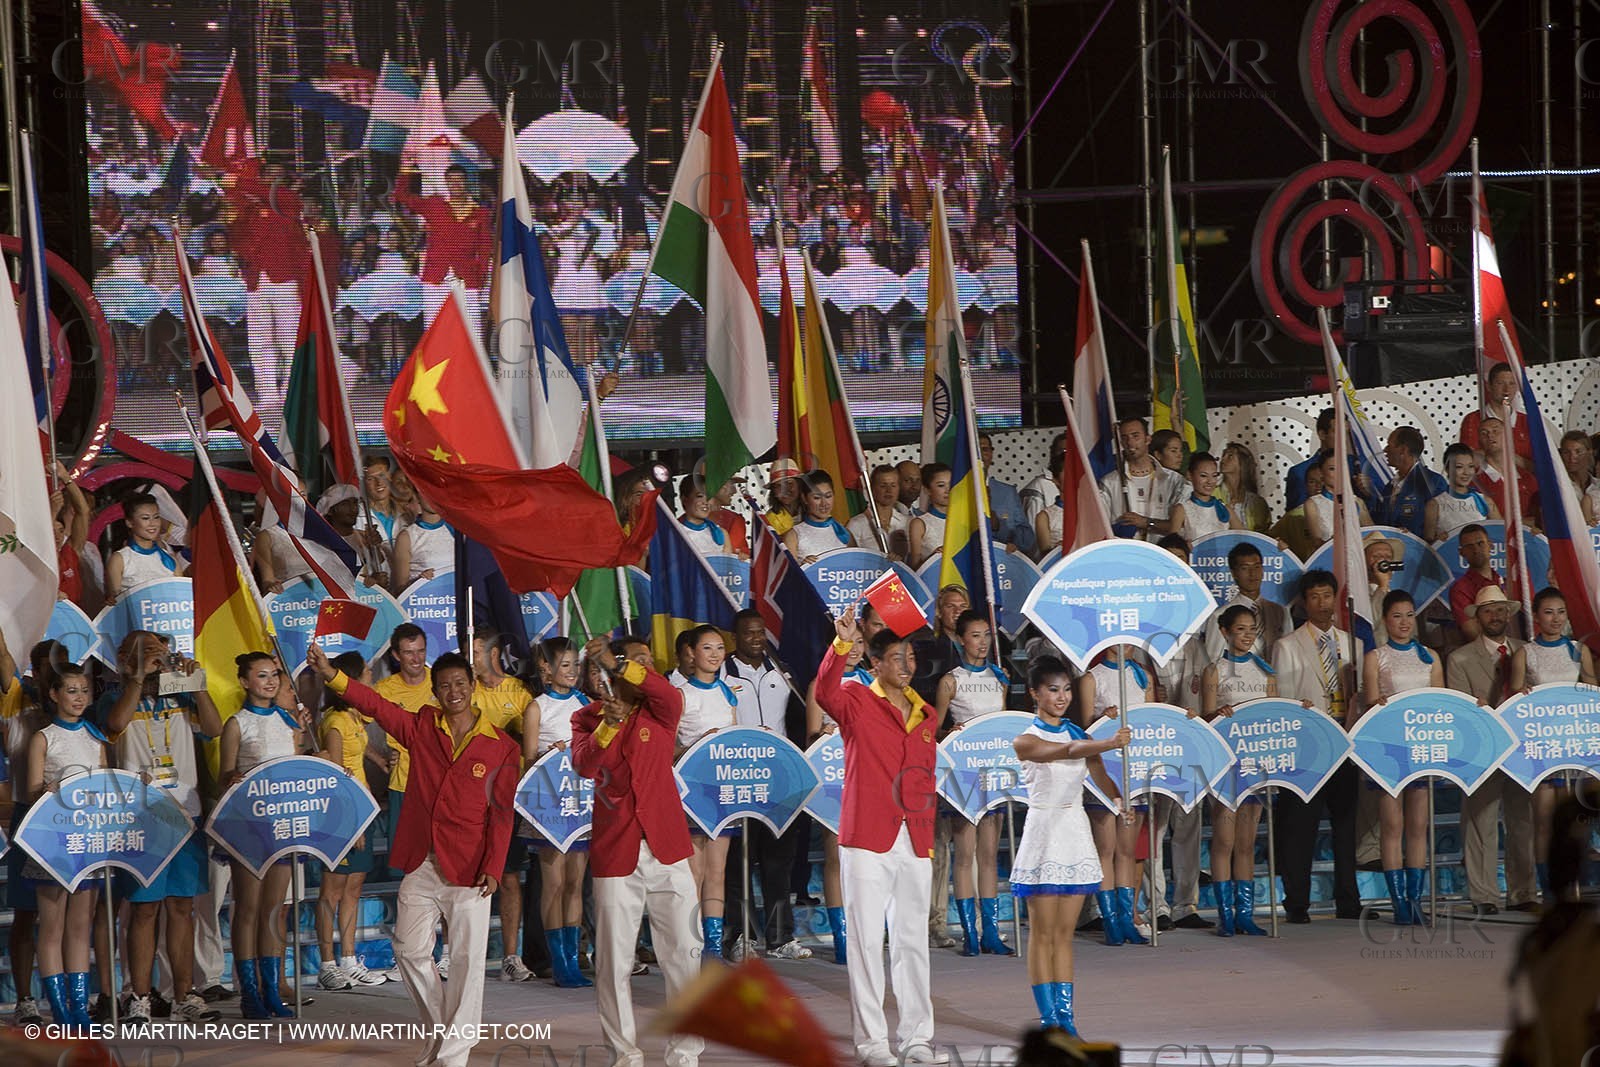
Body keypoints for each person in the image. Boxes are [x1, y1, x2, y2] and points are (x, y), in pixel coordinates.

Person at [306, 641, 520, 1067]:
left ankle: (453, 1055)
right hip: (423, 860)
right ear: (435, 692)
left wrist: (494, 868)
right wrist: (333, 675)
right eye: (444, 685)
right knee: (408, 948)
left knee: (465, 962)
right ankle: (443, 1034)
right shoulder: (423, 726)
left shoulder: (501, 747)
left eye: (460, 682)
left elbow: (502, 814)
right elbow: (377, 706)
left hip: (472, 868)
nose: (453, 691)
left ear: (472, 685)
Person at [816, 609, 948, 1067]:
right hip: (867, 838)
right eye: (895, 658)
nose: (906, 665)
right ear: (875, 664)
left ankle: (917, 1039)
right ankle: (872, 1043)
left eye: (909, 657)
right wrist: (840, 646)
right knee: (867, 942)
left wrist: (926, 828)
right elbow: (823, 692)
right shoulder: (855, 699)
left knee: (912, 941)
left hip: (915, 839)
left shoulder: (926, 713)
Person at [570, 636, 704, 1067]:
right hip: (616, 850)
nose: (647, 671)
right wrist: (608, 724)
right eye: (635, 663)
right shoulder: (585, 718)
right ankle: (624, 1054)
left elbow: (663, 690)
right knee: (613, 963)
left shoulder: (662, 710)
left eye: (646, 663)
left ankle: (685, 1052)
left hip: (667, 847)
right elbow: (585, 765)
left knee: (684, 954)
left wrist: (620, 661)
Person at [100, 631, 224, 1025]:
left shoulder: (181, 695)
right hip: (140, 818)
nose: (158, 662)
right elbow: (115, 724)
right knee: (144, 908)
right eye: (148, 655)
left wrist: (197, 684)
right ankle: (139, 996)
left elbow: (214, 727)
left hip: (184, 814)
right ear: (124, 660)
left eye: (162, 654)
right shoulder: (113, 698)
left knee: (183, 907)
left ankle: (184, 994)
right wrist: (136, 678)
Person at [1011, 657, 1130, 1035]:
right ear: (1034, 693)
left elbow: (1096, 769)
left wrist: (1118, 800)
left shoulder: (1077, 733)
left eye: (1066, 689)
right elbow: (1064, 752)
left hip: (1074, 832)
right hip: (1044, 831)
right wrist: (1109, 740)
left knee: (1064, 935)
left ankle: (1068, 1019)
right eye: (1052, 690)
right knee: (1042, 933)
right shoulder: (1025, 739)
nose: (1062, 697)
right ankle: (1048, 1021)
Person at [220, 652, 311, 1019]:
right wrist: (235, 781)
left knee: (274, 910)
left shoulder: (288, 721)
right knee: (248, 909)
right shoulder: (237, 724)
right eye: (262, 676)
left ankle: (272, 989)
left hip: (284, 826)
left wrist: (303, 736)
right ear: (244, 682)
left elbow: (299, 768)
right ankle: (249, 991)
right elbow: (223, 775)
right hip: (249, 827)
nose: (271, 682)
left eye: (274, 674)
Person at [1271, 570, 1361, 922]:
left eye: (1327, 596)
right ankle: (1296, 903)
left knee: (1346, 826)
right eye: (1314, 597)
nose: (1322, 603)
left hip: (1345, 742)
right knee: (1299, 828)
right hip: (1307, 748)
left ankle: (1348, 901)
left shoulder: (1352, 642)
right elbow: (1284, 700)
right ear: (1304, 602)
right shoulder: (1287, 645)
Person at [720, 610, 811, 960]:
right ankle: (739, 937)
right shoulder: (723, 676)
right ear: (736, 637)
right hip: (739, 780)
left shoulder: (782, 673)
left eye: (761, 633)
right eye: (749, 634)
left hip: (779, 781)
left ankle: (779, 938)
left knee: (778, 862)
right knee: (738, 864)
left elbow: (800, 718)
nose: (756, 639)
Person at [1446, 586, 1536, 913]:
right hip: (1481, 752)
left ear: (1508, 614)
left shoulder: (1527, 650)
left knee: (1521, 821)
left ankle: (1523, 893)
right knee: (1480, 823)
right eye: (1488, 611)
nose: (1495, 616)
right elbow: (1459, 713)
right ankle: (1483, 896)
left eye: (1500, 610)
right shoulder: (1460, 658)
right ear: (1477, 617)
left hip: (1521, 751)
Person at [1508, 587, 1598, 901]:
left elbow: (1592, 699)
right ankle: (1550, 893)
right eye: (1549, 612)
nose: (1556, 618)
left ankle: (1572, 889)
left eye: (1561, 611)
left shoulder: (1578, 650)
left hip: (1574, 749)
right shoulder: (1525, 653)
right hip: (1542, 752)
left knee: (1573, 823)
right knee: (1545, 822)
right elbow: (1516, 705)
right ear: (1536, 616)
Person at [27, 663, 105, 1026]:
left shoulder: (95, 737)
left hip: (88, 841)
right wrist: (46, 792)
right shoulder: (44, 737)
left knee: (80, 926)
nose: (79, 697)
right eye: (71, 691)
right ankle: (59, 1008)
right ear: (54, 694)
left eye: (84, 690)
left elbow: (107, 789)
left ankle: (79, 1006)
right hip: (53, 840)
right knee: (52, 925)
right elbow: (29, 791)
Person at [935, 610, 1013, 958]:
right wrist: (946, 733)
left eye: (987, 635)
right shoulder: (950, 681)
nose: (983, 643)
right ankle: (969, 931)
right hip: (964, 776)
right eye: (976, 636)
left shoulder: (999, 678)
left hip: (994, 773)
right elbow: (933, 729)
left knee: (988, 855)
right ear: (961, 639)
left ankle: (991, 931)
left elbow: (1005, 724)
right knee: (964, 855)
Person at [1360, 591, 1442, 924]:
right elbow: (1369, 704)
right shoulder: (1375, 657)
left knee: (1418, 827)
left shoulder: (1431, 657)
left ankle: (1416, 899)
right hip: (1389, 750)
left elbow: (1439, 705)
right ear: (1385, 619)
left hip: (1422, 749)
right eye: (1397, 616)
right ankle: (1399, 904)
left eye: (1410, 615)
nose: (1405, 622)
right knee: (1392, 826)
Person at [1199, 606, 1276, 936]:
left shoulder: (1266, 672)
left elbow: (1274, 715)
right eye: (1240, 629)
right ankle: (1224, 914)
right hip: (1226, 765)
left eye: (1251, 629)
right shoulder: (1215, 670)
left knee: (1246, 842)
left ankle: (1245, 913)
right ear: (1225, 632)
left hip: (1256, 765)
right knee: (1225, 840)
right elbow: (1205, 719)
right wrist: (1219, 712)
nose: (1247, 635)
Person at [522, 637, 593, 988]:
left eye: (575, 665)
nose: (573, 672)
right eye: (565, 666)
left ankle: (574, 956)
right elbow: (528, 762)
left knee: (574, 883)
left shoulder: (586, 705)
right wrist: (551, 755)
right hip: (549, 803)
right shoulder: (537, 707)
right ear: (546, 669)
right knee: (553, 882)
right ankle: (558, 960)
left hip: (581, 801)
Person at [315, 652, 387, 991]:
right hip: (342, 816)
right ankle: (327, 964)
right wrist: (353, 824)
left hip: (365, 810)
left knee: (354, 890)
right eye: (367, 672)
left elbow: (356, 754)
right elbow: (335, 776)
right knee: (332, 891)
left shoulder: (354, 717)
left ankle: (349, 959)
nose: (372, 675)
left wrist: (378, 759)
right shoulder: (335, 722)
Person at [469, 630, 535, 985]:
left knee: (508, 877)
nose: (471, 656)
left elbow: (531, 743)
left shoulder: (519, 693)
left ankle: (511, 956)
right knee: (462, 877)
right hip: (470, 796)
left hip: (506, 798)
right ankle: (458, 955)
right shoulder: (467, 691)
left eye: (476, 651)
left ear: (494, 654)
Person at [673, 625, 741, 961]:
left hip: (723, 791)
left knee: (717, 872)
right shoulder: (681, 695)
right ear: (691, 653)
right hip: (692, 792)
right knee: (693, 874)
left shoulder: (728, 692)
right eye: (707, 648)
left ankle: (713, 946)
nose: (714, 655)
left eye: (719, 648)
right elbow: (668, 749)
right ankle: (691, 943)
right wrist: (696, 747)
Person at [1076, 646, 1152, 944]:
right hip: (1104, 771)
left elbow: (1153, 720)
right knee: (1105, 849)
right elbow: (1084, 729)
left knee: (1127, 850)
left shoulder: (1142, 676)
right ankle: (1110, 921)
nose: (1125, 645)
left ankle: (1126, 918)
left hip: (1137, 769)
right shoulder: (1091, 678)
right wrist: (1100, 717)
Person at [395, 163, 494, 322]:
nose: (456, 184)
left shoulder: (480, 213)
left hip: (467, 277)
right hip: (435, 276)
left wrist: (480, 276)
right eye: (451, 180)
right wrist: (406, 171)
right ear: (446, 182)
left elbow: (485, 247)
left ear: (466, 182)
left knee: (471, 327)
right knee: (433, 326)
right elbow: (401, 196)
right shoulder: (435, 205)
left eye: (459, 180)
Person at [1099, 418, 1185, 541]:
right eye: (1124, 437)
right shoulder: (1109, 482)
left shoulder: (1174, 480)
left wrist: (1146, 523)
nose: (1130, 442)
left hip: (1162, 554)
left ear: (1148, 439)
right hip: (1125, 554)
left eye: (1135, 436)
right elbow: (1101, 528)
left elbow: (1181, 526)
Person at [1204, 543, 1289, 663]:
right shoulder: (1220, 615)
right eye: (1245, 568)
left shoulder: (1280, 611)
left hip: (1277, 678)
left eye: (1257, 567)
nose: (1252, 573)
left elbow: (1288, 652)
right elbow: (1214, 660)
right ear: (1234, 573)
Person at [104, 491, 185, 603]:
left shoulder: (170, 559)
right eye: (145, 518)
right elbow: (115, 602)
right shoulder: (120, 559)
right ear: (130, 523)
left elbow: (182, 598)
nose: (153, 524)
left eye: (156, 517)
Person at [1370, 427, 1446, 537]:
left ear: (1403, 450)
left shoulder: (1434, 482)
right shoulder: (1389, 487)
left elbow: (1442, 529)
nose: (1385, 450)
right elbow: (1380, 523)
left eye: (1389, 445)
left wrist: (1411, 535)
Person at [1459, 364, 1532, 469]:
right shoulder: (1473, 420)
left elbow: (1540, 468)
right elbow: (1468, 461)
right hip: (1487, 483)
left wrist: (1509, 457)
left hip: (1525, 483)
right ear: (1489, 386)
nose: (1506, 389)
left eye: (1512, 383)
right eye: (1500, 383)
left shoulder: (1528, 422)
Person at [1423, 443, 1499, 542]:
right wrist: (1437, 541)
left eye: (1470, 466)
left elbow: (1500, 534)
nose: (1466, 472)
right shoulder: (1434, 505)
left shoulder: (1485, 501)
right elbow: (1428, 545)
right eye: (1459, 467)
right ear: (1447, 469)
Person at [979, 433, 1036, 555]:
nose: (980, 455)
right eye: (975, 450)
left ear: (991, 454)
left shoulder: (1007, 493)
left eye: (985, 449)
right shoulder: (953, 493)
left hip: (1002, 562)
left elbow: (1026, 536)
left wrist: (999, 527)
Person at [1447, 524, 1504, 642]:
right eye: (1469, 546)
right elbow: (1473, 633)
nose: (1476, 550)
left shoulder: (1506, 582)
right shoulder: (1460, 589)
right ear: (1461, 552)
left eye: (1480, 543)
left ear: (1490, 545)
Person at [1164, 451, 1240, 540]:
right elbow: (1172, 546)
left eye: (1214, 476)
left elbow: (1246, 538)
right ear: (1190, 475)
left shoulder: (1225, 509)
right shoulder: (1182, 510)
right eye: (1203, 476)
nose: (1210, 481)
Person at [785, 470, 854, 563]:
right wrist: (803, 566)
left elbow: (856, 567)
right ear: (804, 498)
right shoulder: (794, 536)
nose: (824, 503)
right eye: (817, 498)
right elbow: (788, 574)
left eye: (828, 496)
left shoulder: (844, 532)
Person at [848, 464, 911, 559]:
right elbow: (849, 559)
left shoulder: (908, 522)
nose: (889, 490)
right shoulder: (856, 524)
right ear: (872, 489)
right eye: (883, 485)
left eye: (893, 485)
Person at [391, 500, 452, 594]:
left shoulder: (458, 531)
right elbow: (399, 589)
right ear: (417, 497)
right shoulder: (407, 536)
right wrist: (419, 582)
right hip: (424, 601)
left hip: (456, 601)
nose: (431, 497)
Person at [1283, 408, 1334, 511]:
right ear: (1322, 434)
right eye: (1338, 432)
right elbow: (1295, 516)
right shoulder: (1299, 472)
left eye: (1347, 433)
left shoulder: (1355, 469)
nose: (1344, 438)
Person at [1218, 442, 1272, 532]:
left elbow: (1263, 536)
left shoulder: (1258, 503)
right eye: (1223, 455)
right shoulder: (1213, 495)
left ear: (1242, 462)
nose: (1223, 459)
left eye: (1230, 456)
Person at [909, 464, 952, 567]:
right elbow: (914, 568)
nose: (948, 490)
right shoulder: (919, 523)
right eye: (941, 485)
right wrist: (933, 558)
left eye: (951, 484)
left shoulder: (964, 520)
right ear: (927, 490)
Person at [677, 479, 731, 558]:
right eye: (700, 496)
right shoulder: (674, 534)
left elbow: (727, 567)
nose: (706, 502)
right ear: (684, 499)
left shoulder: (721, 534)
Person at [764, 459, 804, 536]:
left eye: (789, 483)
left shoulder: (813, 509)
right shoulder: (769, 520)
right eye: (778, 486)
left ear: (799, 485)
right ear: (773, 492)